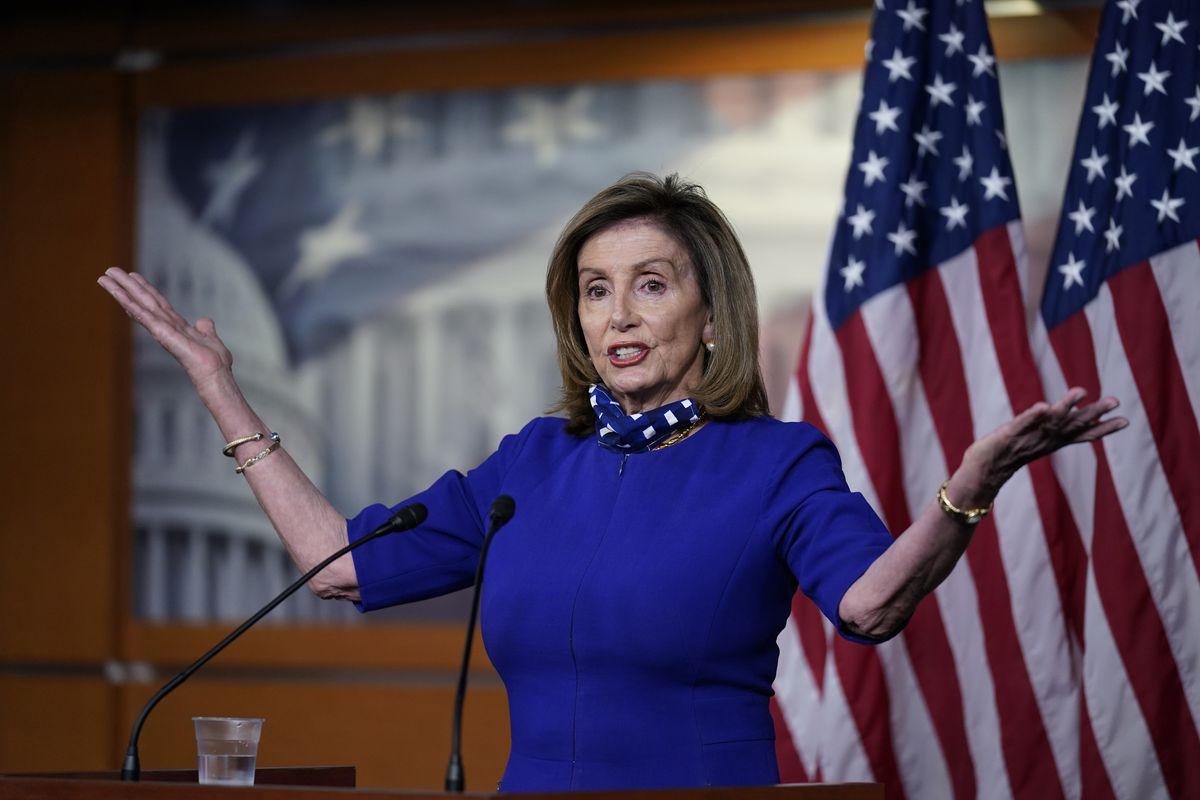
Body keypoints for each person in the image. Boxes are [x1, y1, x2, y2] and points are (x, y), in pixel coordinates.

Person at [99, 172, 1126, 792]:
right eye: (596, 290)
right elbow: (338, 565)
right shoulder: (531, 463)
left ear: (711, 316)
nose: (619, 314)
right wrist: (221, 389)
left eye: (650, 284)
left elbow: (870, 604)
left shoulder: (777, 461)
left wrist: (965, 491)